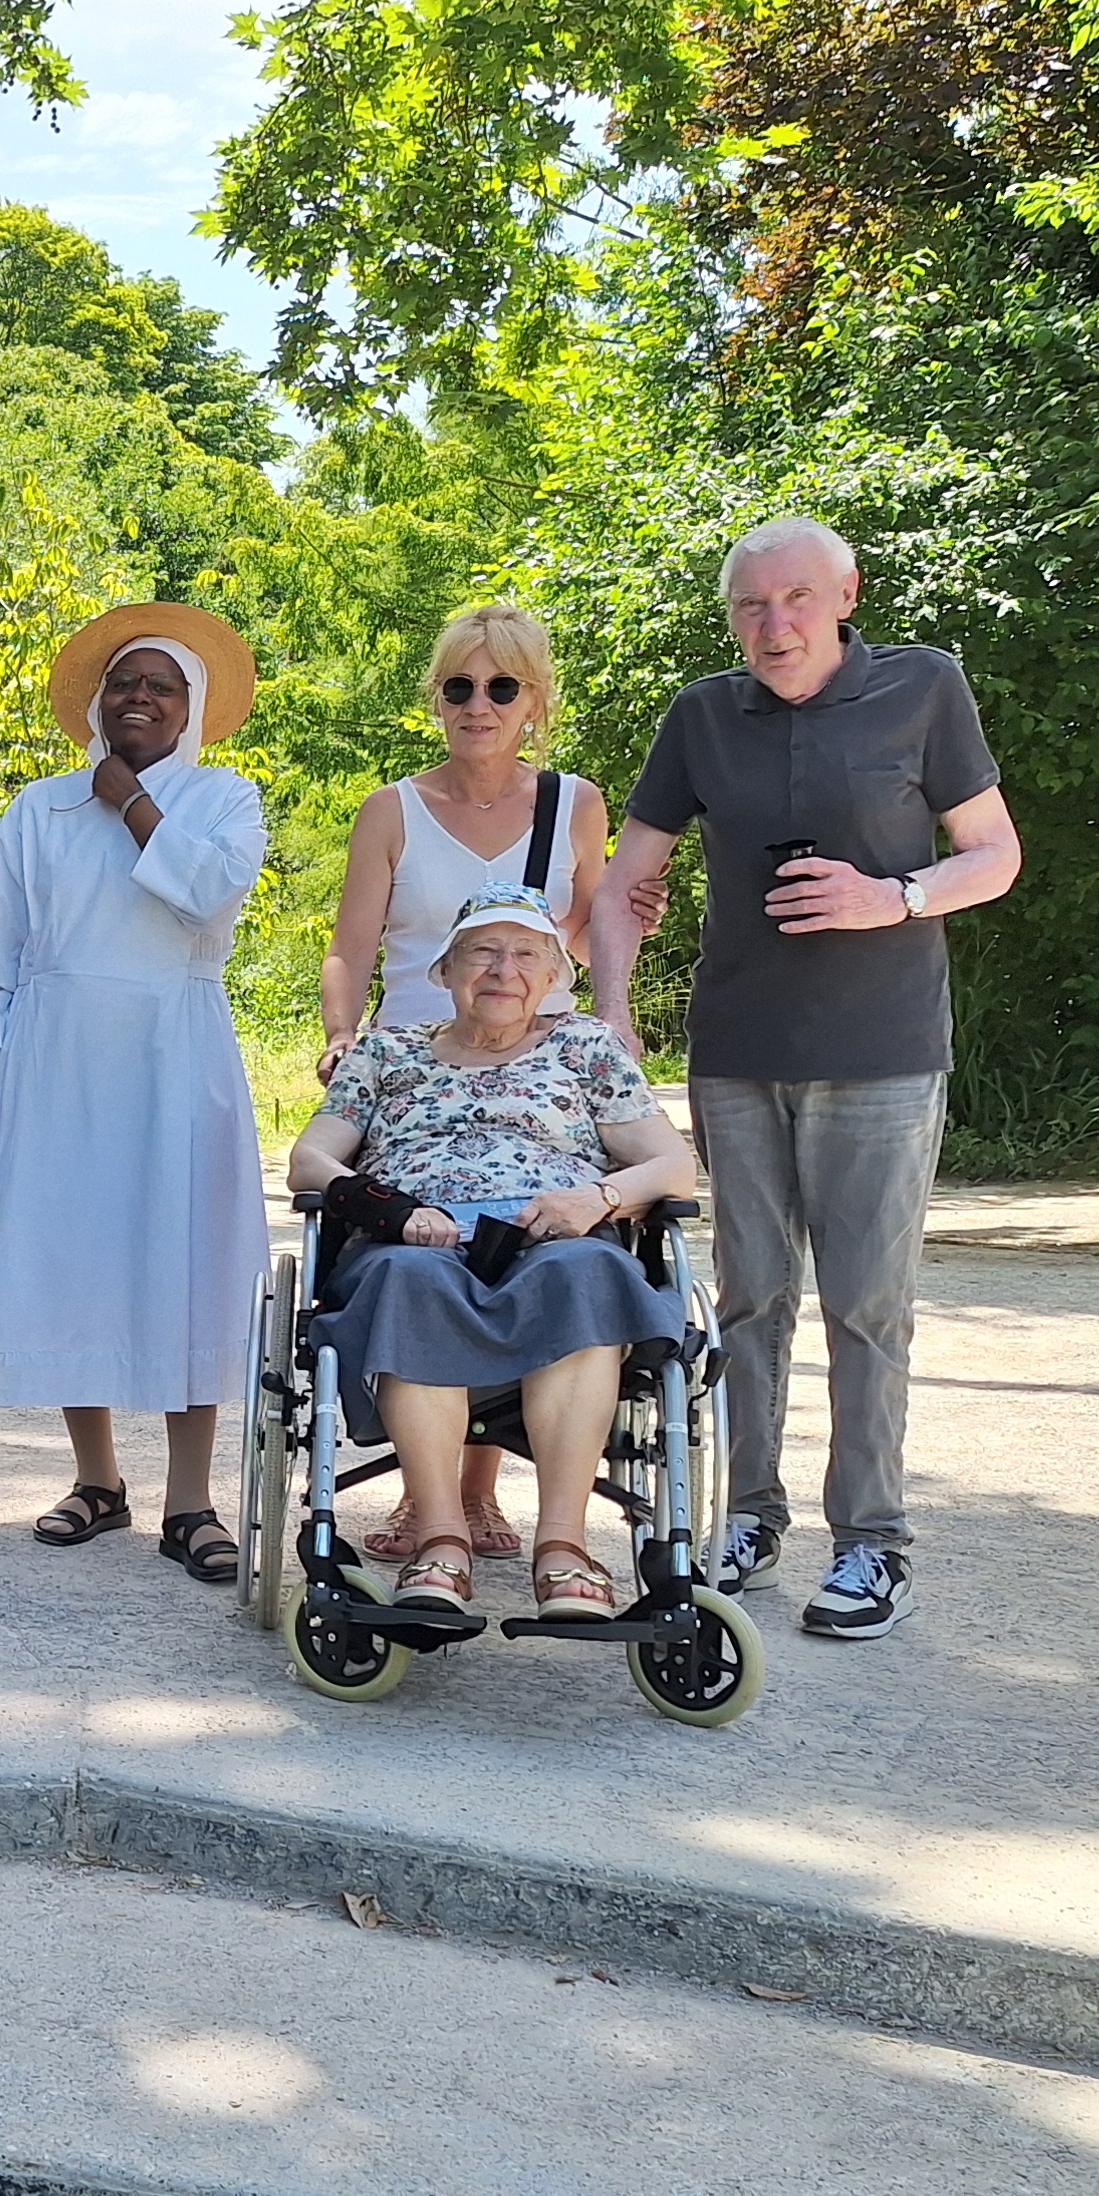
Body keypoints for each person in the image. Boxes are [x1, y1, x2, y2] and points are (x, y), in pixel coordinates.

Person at [586, 516, 1022, 1641]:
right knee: (750, 1301)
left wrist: (896, 897)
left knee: (869, 1306)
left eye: (793, 601)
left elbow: (995, 854)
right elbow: (630, 877)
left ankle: (874, 1545)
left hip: (883, 1050)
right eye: (749, 606)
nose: (772, 626)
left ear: (844, 596)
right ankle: (750, 1518)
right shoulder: (702, 715)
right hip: (738, 1050)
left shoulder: (923, 688)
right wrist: (614, 1012)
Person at [0, 604, 270, 1580]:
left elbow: (205, 896)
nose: (137, 697)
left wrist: (128, 801)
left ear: (190, 707)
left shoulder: (225, 799)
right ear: (96, 701)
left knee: (183, 1263)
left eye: (160, 685)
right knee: (77, 1256)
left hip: (174, 1056)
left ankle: (191, 1501)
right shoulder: (41, 807)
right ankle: (98, 1480)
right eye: (123, 682)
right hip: (56, 1062)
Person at [284, 888, 699, 1619]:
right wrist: (391, 1208)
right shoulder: (388, 1052)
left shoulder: (586, 1048)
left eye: (526, 955)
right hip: (412, 1242)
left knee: (587, 1272)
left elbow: (671, 1168)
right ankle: (442, 1539)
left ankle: (563, 1547)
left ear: (550, 979)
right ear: (444, 970)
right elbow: (311, 1158)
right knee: (410, 1282)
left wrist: (595, 1200)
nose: (502, 970)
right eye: (482, 951)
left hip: (555, 1236)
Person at [315, 600, 612, 1563]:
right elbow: (352, 946)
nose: (477, 704)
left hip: (532, 1045)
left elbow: (597, 927)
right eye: (458, 685)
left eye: (501, 686)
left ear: (535, 699)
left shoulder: (576, 804)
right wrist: (339, 1034)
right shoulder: (392, 809)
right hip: (412, 1056)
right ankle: (432, 1498)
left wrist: (614, 1020)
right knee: (428, 1239)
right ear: (436, 697)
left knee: (514, 1221)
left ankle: (477, 1499)